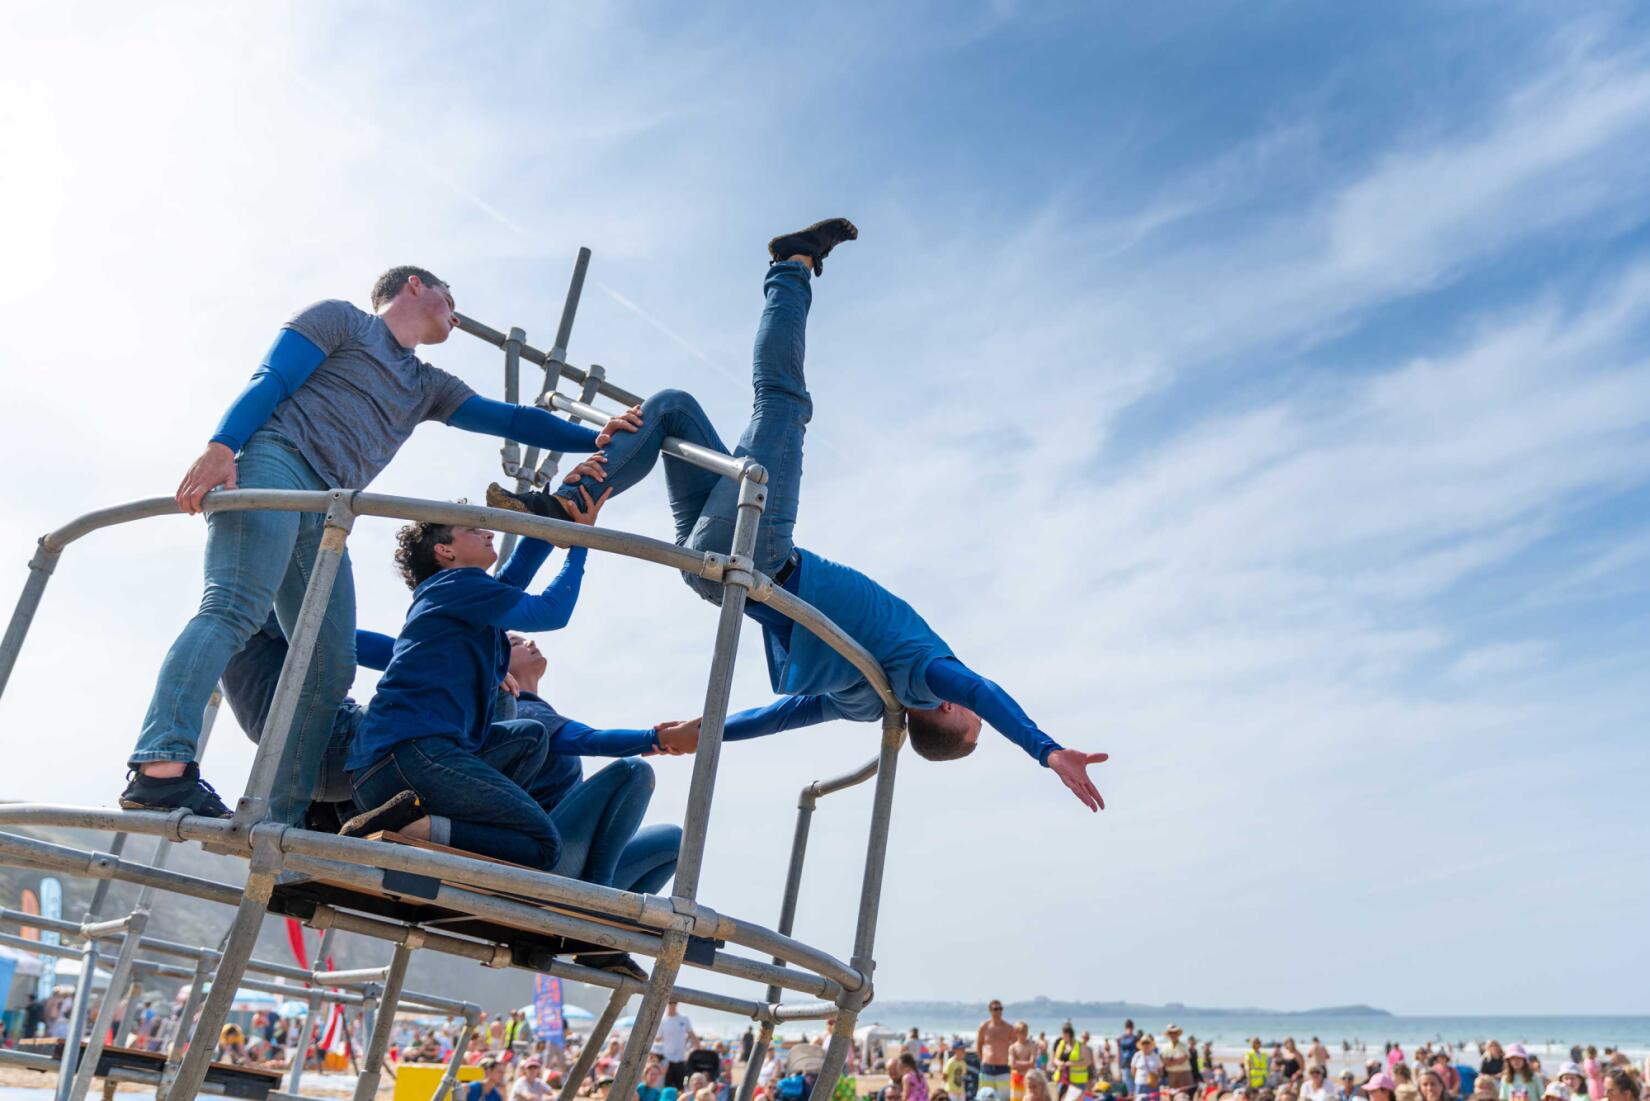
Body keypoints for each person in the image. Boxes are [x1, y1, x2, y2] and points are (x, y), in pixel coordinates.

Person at [488, 222, 1109, 810]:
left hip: (757, 553)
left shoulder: (923, 676)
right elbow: (779, 718)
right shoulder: (863, 698)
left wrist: (1045, 748)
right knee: (673, 408)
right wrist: (709, 732)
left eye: (968, 720)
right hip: (721, 563)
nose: (967, 702)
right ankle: (564, 506)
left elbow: (983, 692)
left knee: (784, 399)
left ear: (946, 711)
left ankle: (792, 265)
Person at [122, 265, 639, 823]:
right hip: (279, 462)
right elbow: (272, 377)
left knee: (330, 663)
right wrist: (223, 446)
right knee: (233, 607)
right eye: (449, 296)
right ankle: (161, 768)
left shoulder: (427, 386)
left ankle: (278, 822)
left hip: (330, 511)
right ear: (415, 285)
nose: (455, 314)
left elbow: (507, 417)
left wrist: (596, 435)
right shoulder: (342, 321)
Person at [344, 484, 610, 869]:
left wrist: (558, 513)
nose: (490, 531)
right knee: (542, 844)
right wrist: (581, 541)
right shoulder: (456, 586)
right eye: (475, 528)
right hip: (409, 756)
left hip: (396, 764)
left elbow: (516, 574)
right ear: (445, 551)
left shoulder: (456, 593)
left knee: (531, 737)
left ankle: (441, 827)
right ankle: (416, 831)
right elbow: (551, 612)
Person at [976, 1002, 1016, 1101]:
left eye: (1000, 1009)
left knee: (1004, 1098)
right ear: (990, 1011)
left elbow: (1015, 1046)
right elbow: (979, 1045)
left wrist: (1012, 1060)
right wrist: (982, 1059)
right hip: (987, 1067)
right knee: (984, 1097)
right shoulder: (984, 1027)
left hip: (1003, 1067)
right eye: (995, 1009)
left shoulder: (1008, 1028)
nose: (998, 1011)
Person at [658, 1001, 697, 1091]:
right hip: (666, 1060)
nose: (672, 1004)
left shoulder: (684, 1018)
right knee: (666, 1087)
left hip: (680, 1059)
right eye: (670, 1002)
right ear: (667, 1003)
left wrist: (698, 1048)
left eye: (674, 1002)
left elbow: (692, 1034)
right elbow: (657, 1038)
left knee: (681, 1087)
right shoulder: (662, 1020)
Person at [1051, 1024, 1091, 1098]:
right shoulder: (1061, 1044)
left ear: (1070, 1034)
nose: (1063, 1037)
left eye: (1065, 1035)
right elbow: (1055, 1059)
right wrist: (1060, 1063)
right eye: (1063, 1034)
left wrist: (1072, 1064)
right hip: (1062, 1079)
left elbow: (1088, 1061)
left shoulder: (1080, 1046)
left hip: (1077, 1081)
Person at [1011, 1023, 1039, 1101]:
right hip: (1016, 1079)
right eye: (1022, 1031)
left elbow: (1032, 1063)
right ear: (1016, 1032)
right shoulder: (1013, 1047)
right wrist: (1027, 1063)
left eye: (1026, 1031)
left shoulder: (1031, 1046)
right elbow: (1012, 1065)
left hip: (1029, 1079)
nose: (1025, 1034)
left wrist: (1018, 1063)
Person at [1132, 1036, 1164, 1101]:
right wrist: (1138, 1078)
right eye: (1144, 1043)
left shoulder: (1155, 1056)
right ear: (1141, 1045)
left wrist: (1157, 1079)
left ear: (1151, 1044)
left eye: (1147, 1043)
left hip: (1153, 1084)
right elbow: (1133, 1069)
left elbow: (1160, 1069)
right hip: (1140, 1083)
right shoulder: (1137, 1055)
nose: (1146, 1045)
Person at [1162, 1026, 1193, 1092]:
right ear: (1169, 1034)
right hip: (1171, 1074)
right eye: (1171, 1033)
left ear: (1178, 1034)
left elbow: (1184, 1058)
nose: (1173, 1034)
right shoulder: (1165, 1047)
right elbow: (1165, 1061)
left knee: (1185, 1095)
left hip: (1184, 1074)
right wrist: (1177, 1061)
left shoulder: (1184, 1045)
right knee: (1172, 1095)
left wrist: (1171, 1062)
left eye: (1175, 1033)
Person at [1118, 1022, 1140, 1099]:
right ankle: (1133, 1096)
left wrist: (1119, 1064)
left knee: (1129, 1082)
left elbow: (1119, 1052)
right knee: (1132, 1082)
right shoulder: (1135, 1038)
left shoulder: (1121, 1038)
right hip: (1132, 1063)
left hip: (1127, 1063)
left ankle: (1132, 1096)